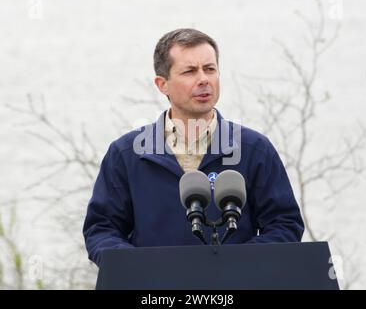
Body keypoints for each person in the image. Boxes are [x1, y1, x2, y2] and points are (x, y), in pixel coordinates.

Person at [83, 28, 304, 267]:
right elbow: (101, 229)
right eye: (189, 71)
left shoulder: (254, 149)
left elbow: (285, 225)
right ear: (162, 84)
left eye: (210, 69)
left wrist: (234, 266)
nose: (203, 79)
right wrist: (138, 268)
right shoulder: (127, 154)